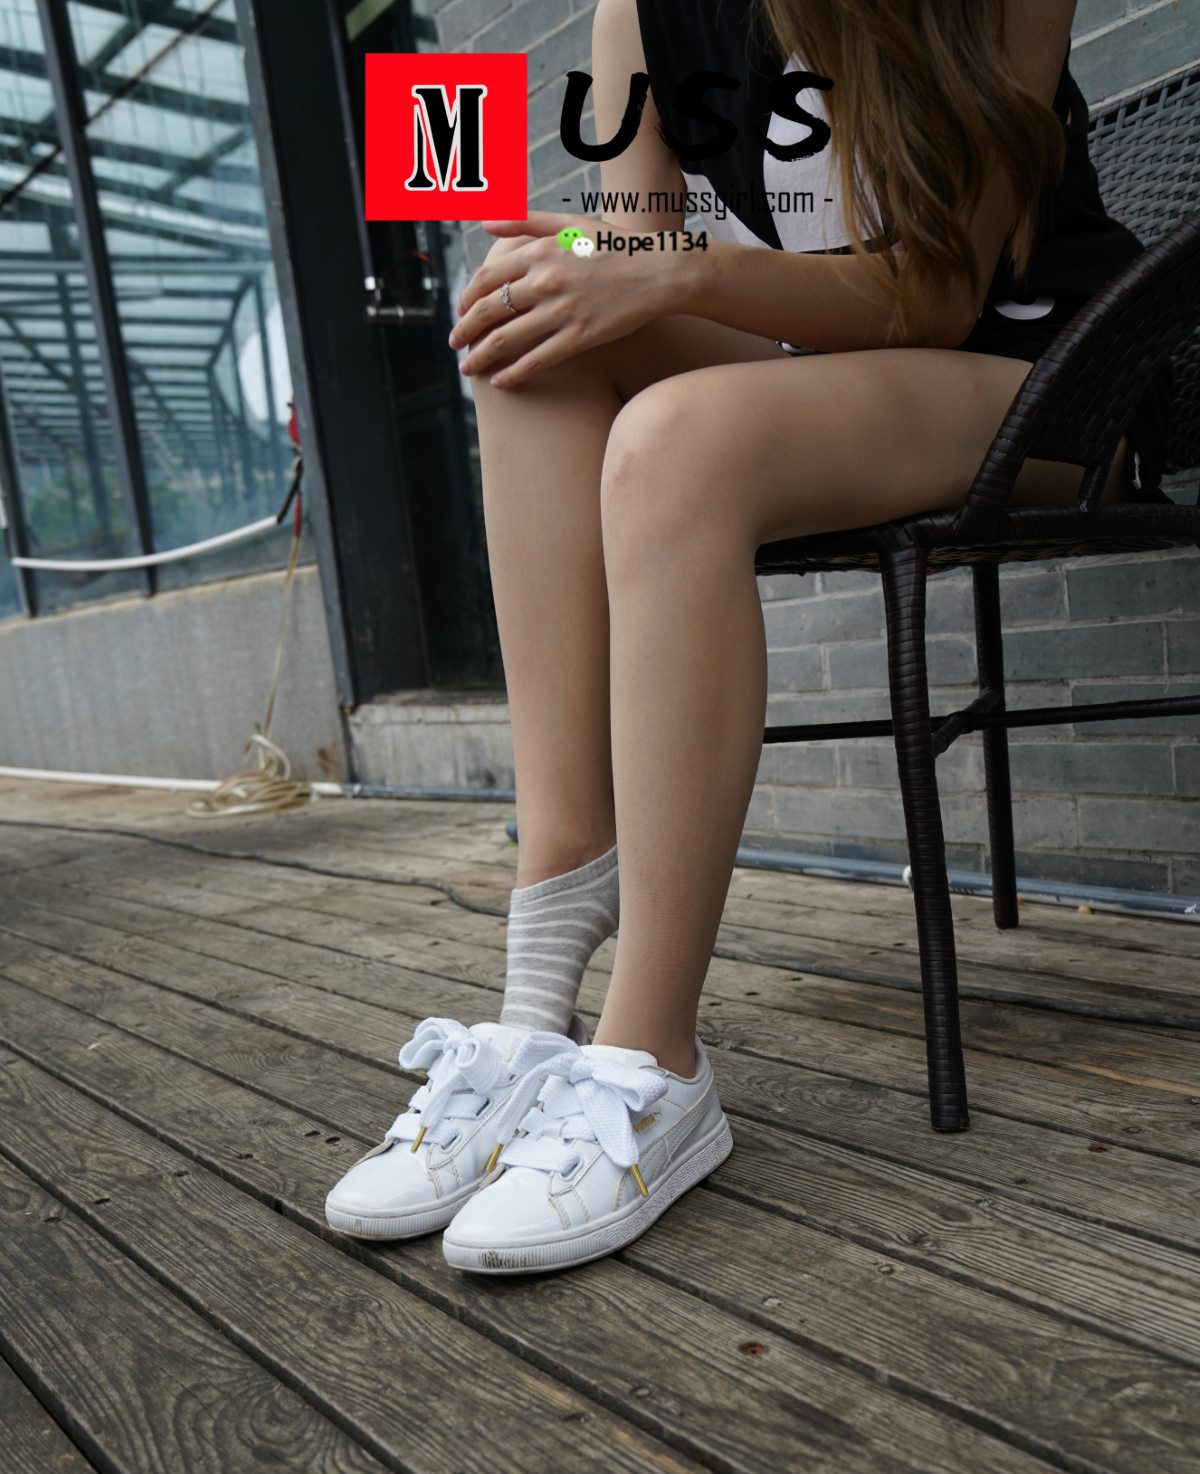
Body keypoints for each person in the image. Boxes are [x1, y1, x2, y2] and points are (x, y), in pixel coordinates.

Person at [326, 0, 1173, 1275]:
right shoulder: (642, 11)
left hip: (1046, 379)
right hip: (837, 356)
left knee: (677, 444)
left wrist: (681, 271)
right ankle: (540, 979)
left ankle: (652, 1058)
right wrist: (583, 258)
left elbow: (938, 295)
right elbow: (630, 249)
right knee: (523, 328)